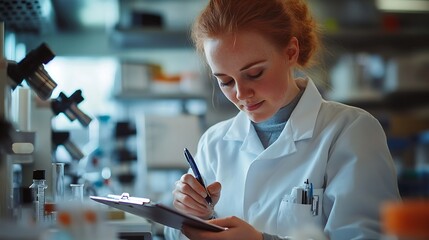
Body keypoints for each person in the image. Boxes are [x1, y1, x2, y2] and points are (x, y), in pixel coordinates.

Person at [164, 0, 401, 239]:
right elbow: (174, 234)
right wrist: (191, 213)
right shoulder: (214, 142)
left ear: (290, 52)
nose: (241, 93)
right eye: (225, 81)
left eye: (254, 73)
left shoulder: (350, 131)